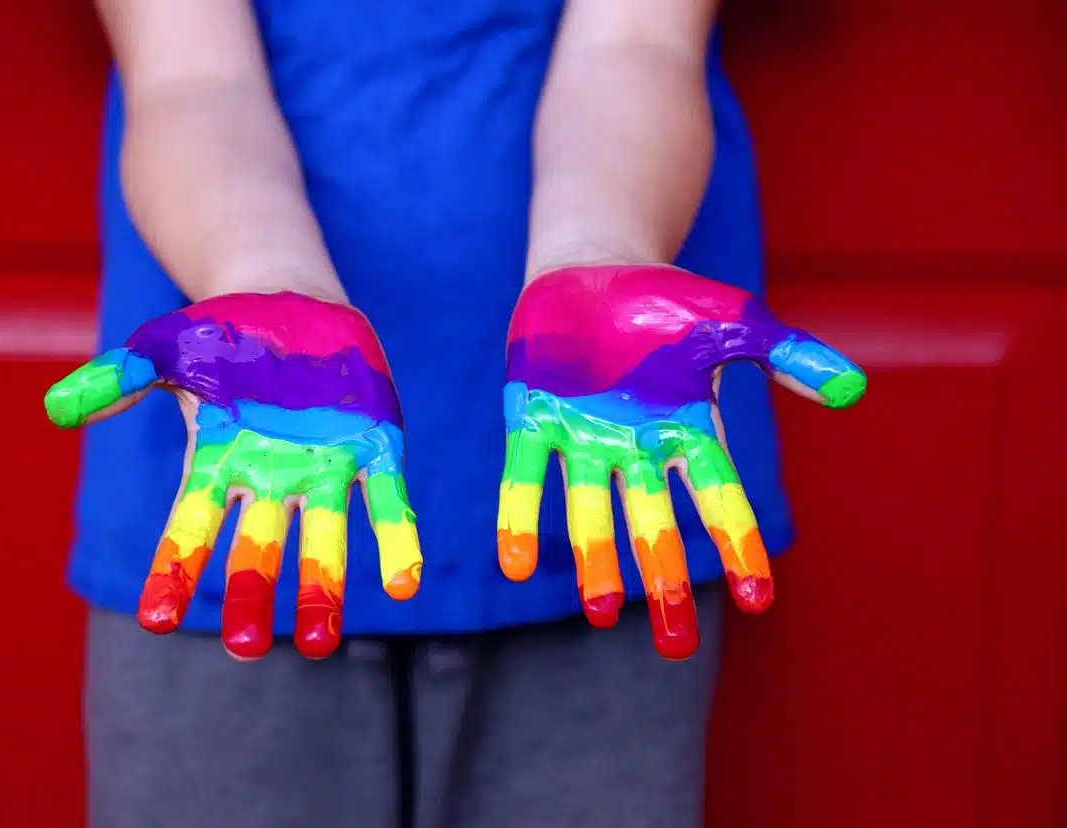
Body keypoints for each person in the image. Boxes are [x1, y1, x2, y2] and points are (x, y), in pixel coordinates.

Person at [66, 2, 804, 827]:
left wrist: (597, 261)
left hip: (610, 460)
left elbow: (638, 42)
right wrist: (265, 285)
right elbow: (191, 78)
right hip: (240, 487)